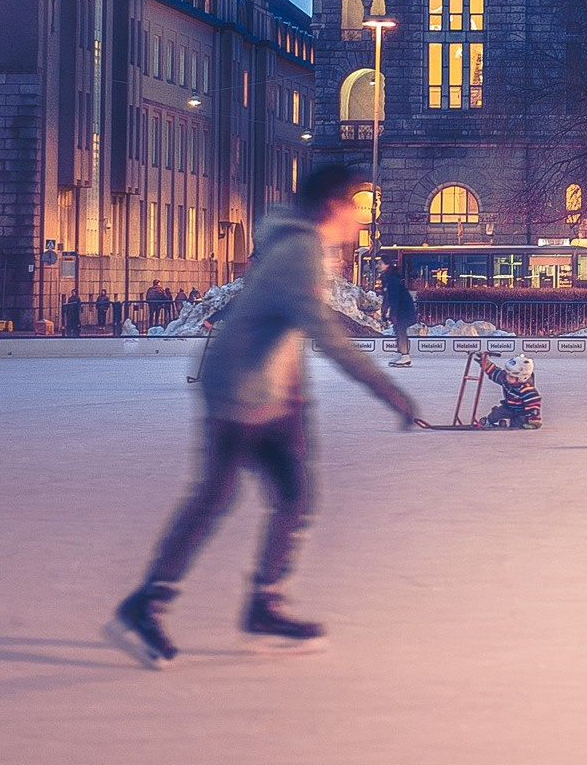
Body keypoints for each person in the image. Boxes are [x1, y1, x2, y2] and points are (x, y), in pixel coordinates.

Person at [107, 163, 427, 669]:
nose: (362, 220)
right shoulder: (299, 253)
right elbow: (326, 334)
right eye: (357, 207)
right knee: (223, 495)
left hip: (267, 391)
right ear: (332, 207)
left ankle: (256, 603)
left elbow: (286, 327)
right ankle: (156, 600)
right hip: (240, 390)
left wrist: (295, 397)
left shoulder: (302, 248)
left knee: (289, 494)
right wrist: (389, 391)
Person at [479, 353, 543, 428]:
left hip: (522, 412)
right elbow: (495, 373)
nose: (507, 378)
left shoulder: (527, 390)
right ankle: (489, 422)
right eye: (507, 374)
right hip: (509, 407)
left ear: (522, 377)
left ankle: (509, 423)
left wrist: (534, 421)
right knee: (497, 413)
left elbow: (533, 408)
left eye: (511, 376)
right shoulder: (505, 380)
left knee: (518, 421)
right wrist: (486, 363)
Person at [380, 257, 416, 368]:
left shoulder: (392, 279)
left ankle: (405, 356)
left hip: (405, 309)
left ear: (387, 265)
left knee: (401, 330)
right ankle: (401, 353)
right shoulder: (388, 278)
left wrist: (393, 314)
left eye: (380, 263)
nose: (378, 266)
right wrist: (384, 310)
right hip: (401, 309)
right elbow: (387, 296)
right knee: (398, 329)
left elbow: (394, 297)